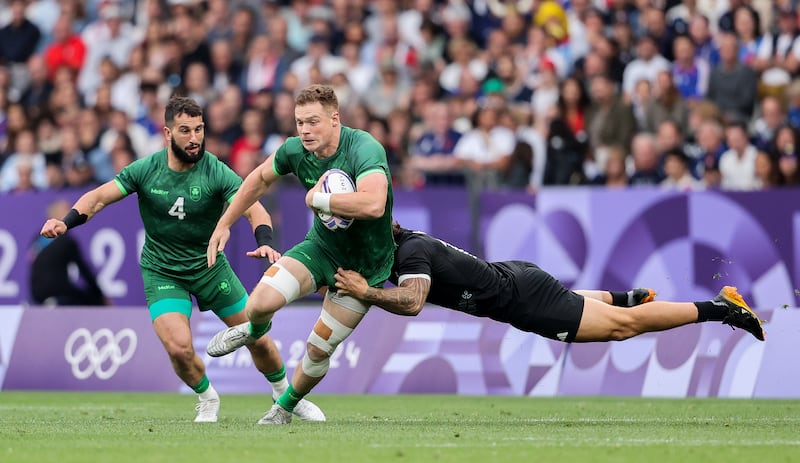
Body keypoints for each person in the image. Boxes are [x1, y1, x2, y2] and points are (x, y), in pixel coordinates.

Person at [39, 96, 324, 424]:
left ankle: (285, 395)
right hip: (162, 271)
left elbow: (253, 207)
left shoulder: (215, 170)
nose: (194, 138)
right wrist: (67, 221)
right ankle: (206, 397)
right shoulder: (146, 170)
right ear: (167, 133)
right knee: (179, 348)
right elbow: (99, 198)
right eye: (186, 130)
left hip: (209, 268)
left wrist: (265, 242)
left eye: (199, 129)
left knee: (256, 337)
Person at [203, 84, 395, 425]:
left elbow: (374, 204)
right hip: (320, 249)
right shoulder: (294, 150)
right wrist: (224, 224)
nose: (304, 130)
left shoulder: (364, 147)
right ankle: (253, 329)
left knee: (318, 350)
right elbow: (258, 180)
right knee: (257, 305)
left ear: (335, 119)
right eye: (299, 122)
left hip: (364, 268)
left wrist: (316, 200)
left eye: (313, 122)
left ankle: (284, 408)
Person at [332, 223, 765, 344]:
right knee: (609, 312)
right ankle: (622, 297)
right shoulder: (397, 247)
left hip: (521, 298)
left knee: (622, 327)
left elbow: (411, 302)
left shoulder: (409, 255)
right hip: (517, 277)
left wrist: (364, 292)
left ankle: (719, 308)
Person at [29, 199, 107, 307]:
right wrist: (101, 295)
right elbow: (84, 270)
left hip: (36, 294)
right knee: (90, 297)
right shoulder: (67, 241)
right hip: (58, 292)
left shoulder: (37, 239)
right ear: (55, 216)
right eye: (68, 212)